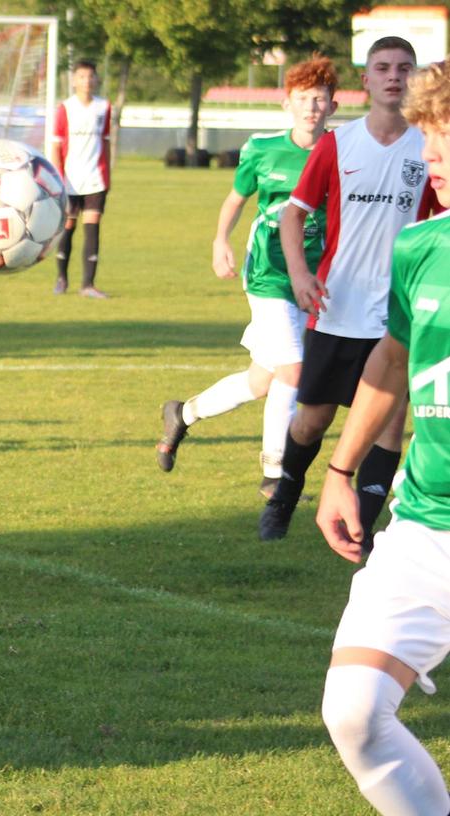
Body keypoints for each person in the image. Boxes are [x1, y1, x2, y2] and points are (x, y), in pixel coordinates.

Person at [314, 60, 450, 816]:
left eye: (441, 138)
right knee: (355, 711)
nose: (426, 156)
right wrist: (340, 468)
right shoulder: (421, 246)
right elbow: (392, 359)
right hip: (427, 527)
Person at [259, 36, 437, 542]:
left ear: (414, 76)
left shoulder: (427, 149)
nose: (394, 76)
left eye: (404, 67)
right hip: (337, 308)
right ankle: (284, 500)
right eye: (382, 67)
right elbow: (294, 215)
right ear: (366, 79)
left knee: (388, 426)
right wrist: (299, 274)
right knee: (310, 422)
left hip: (397, 313)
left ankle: (358, 530)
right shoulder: (339, 143)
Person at [157, 57, 338, 498]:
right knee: (294, 368)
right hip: (269, 273)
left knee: (262, 380)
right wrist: (221, 239)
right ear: (286, 104)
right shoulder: (262, 149)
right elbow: (236, 199)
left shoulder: (343, 149)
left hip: (318, 276)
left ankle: (183, 414)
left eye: (319, 99)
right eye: (302, 99)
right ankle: (275, 471)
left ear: (333, 105)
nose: (311, 107)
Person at [50, 59, 111, 298]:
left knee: (92, 229)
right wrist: (57, 177)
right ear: (74, 81)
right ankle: (61, 279)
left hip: (95, 179)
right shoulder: (65, 108)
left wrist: (109, 176)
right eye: (82, 77)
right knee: (68, 228)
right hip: (70, 180)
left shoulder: (104, 107)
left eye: (91, 76)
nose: (87, 81)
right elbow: (56, 146)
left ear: (96, 79)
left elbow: (105, 142)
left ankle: (88, 284)